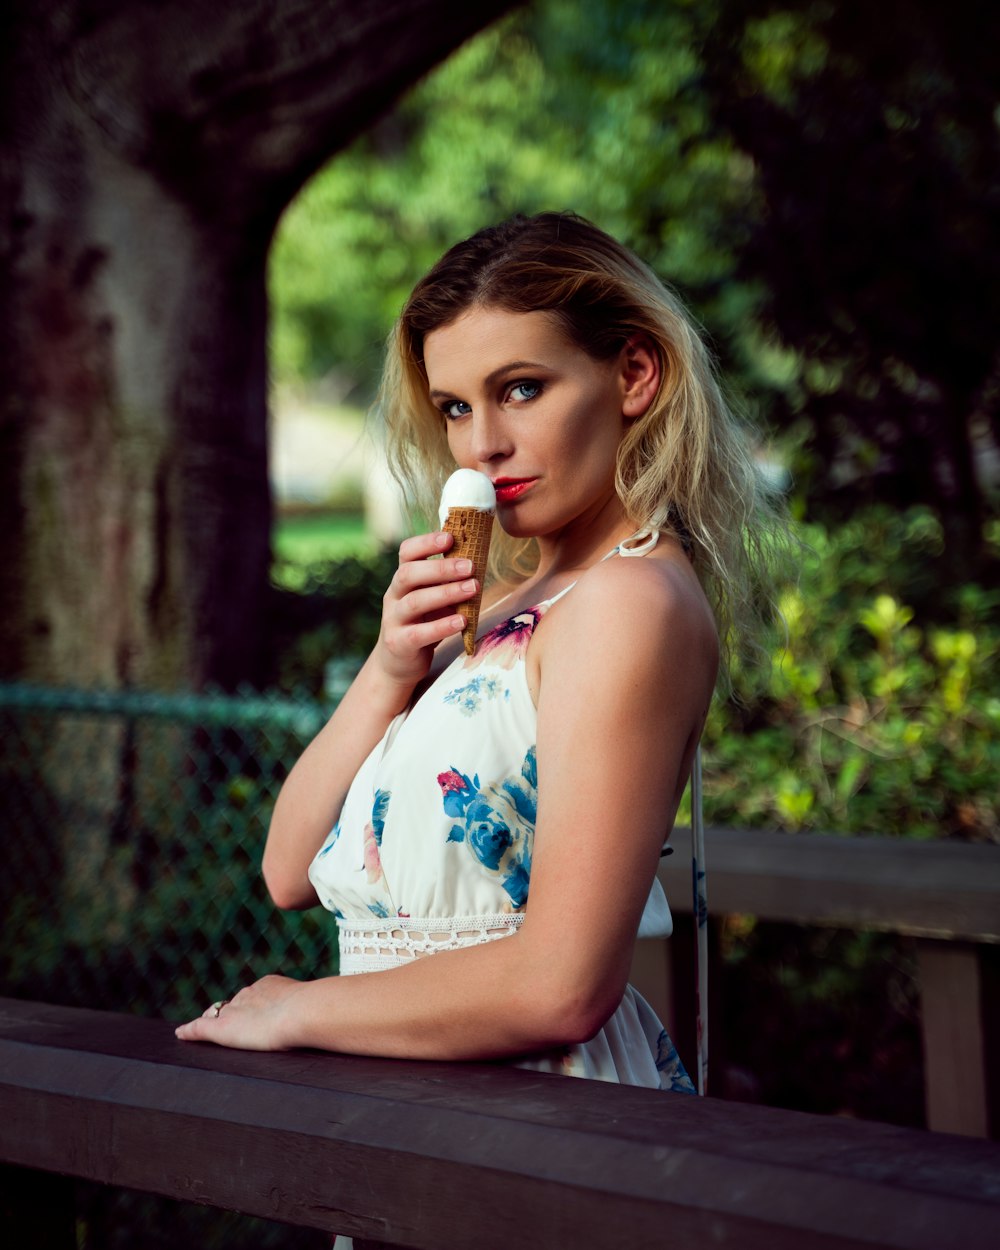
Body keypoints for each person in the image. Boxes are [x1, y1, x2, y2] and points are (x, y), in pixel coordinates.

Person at [176, 212, 780, 1098]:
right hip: (424, 1092)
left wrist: (299, 1009)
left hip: (538, 1109)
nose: (483, 444)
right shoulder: (502, 607)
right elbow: (287, 869)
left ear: (635, 374)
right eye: (456, 406)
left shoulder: (628, 603)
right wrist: (390, 668)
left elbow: (561, 988)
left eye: (522, 389)